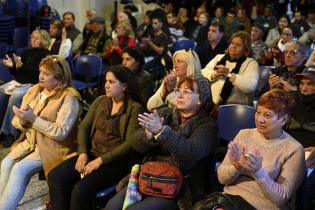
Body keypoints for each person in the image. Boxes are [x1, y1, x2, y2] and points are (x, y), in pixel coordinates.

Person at [105, 74, 218, 210]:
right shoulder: (166, 113)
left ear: (201, 99)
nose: (180, 95)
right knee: (112, 206)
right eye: (178, 91)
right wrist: (148, 136)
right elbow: (134, 143)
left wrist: (161, 132)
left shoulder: (208, 125)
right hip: (149, 176)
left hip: (180, 186)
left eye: (187, 92)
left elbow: (190, 153)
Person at [47, 65, 145, 210]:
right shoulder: (100, 101)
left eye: (111, 82)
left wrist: (101, 160)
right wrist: (83, 153)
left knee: (80, 190)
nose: (106, 85)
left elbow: (129, 144)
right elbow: (84, 127)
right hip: (93, 153)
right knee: (55, 176)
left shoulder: (134, 108)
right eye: (106, 81)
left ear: (124, 86)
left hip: (115, 162)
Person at [195, 89, 305, 210]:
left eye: (267, 115)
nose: (260, 119)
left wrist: (258, 171)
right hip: (229, 200)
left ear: (283, 120)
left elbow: (281, 198)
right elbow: (222, 179)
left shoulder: (294, 149)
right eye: (258, 112)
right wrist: (237, 166)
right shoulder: (244, 134)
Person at [0, 55, 82, 210]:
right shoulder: (35, 89)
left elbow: (60, 132)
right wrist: (24, 120)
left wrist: (33, 119)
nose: (40, 76)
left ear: (58, 78)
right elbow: (17, 122)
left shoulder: (69, 97)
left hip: (53, 147)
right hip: (32, 142)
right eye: (40, 71)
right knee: (6, 163)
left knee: (19, 169)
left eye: (46, 73)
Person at [0, 29, 51, 145]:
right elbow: (18, 72)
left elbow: (38, 76)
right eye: (32, 37)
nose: (33, 40)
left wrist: (22, 66)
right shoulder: (26, 52)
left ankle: (9, 133)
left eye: (36, 38)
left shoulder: (46, 55)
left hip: (34, 85)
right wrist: (11, 66)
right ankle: (1, 129)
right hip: (19, 83)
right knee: (2, 95)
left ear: (44, 40)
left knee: (14, 99)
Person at [285, 66, 315, 210]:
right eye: (302, 83)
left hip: (311, 155)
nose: (304, 88)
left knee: (303, 188)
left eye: (310, 84)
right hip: (288, 150)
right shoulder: (290, 102)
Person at [202, 31, 259, 105]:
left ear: (245, 49)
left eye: (238, 45)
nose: (233, 46)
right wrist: (214, 74)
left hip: (235, 106)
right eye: (232, 43)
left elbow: (250, 86)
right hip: (211, 103)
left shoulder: (251, 63)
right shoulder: (219, 57)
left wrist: (229, 75)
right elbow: (202, 73)